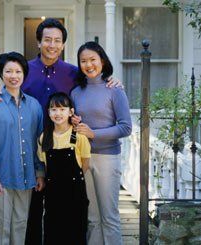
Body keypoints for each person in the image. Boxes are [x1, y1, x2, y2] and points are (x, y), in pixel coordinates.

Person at [0, 18, 122, 244]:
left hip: (65, 150)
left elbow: (94, 79)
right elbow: (10, 82)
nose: (52, 44)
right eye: (47, 39)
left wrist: (111, 80)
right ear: (38, 42)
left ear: (63, 45)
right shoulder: (25, 69)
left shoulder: (73, 72)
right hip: (31, 149)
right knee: (29, 214)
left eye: (57, 40)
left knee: (64, 213)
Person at [71, 41, 132, 245]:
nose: (88, 65)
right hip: (84, 158)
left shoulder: (114, 89)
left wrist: (93, 134)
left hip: (107, 158)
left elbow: (125, 127)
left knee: (109, 217)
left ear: (102, 61)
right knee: (93, 218)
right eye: (83, 61)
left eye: (92, 60)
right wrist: (75, 123)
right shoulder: (76, 92)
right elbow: (76, 128)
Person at [0, 52, 45, 245]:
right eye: (8, 71)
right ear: (1, 74)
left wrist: (40, 172)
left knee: (20, 226)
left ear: (24, 74)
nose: (13, 75)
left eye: (18, 71)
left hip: (27, 176)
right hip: (0, 177)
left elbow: (39, 142)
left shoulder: (34, 106)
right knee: (1, 229)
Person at [38, 92, 91, 245]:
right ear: (48, 112)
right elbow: (44, 162)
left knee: (75, 231)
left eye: (62, 109)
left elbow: (85, 163)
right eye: (53, 109)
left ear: (71, 112)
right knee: (53, 230)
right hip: (53, 193)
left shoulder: (77, 136)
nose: (58, 113)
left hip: (75, 191)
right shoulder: (44, 137)